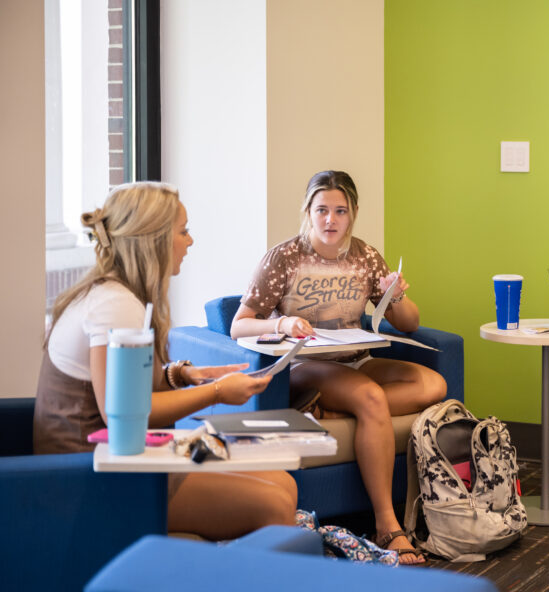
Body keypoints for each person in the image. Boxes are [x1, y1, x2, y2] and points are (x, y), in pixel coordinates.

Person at [34, 182, 298, 540]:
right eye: (183, 231)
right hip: (91, 480)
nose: (190, 241)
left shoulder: (112, 295)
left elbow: (121, 383)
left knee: (283, 483)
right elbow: (121, 412)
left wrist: (179, 374)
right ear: (154, 240)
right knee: (274, 504)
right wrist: (217, 392)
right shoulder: (115, 304)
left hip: (112, 460)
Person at [230, 170, 447, 564]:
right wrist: (282, 323)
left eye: (340, 211)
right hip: (306, 363)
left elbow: (409, 323)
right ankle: (387, 525)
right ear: (308, 212)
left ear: (353, 213)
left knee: (433, 385)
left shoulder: (365, 256)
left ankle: (331, 410)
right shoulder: (284, 258)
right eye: (322, 210)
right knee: (370, 398)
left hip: (354, 358)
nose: (330, 220)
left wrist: (396, 295)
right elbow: (239, 324)